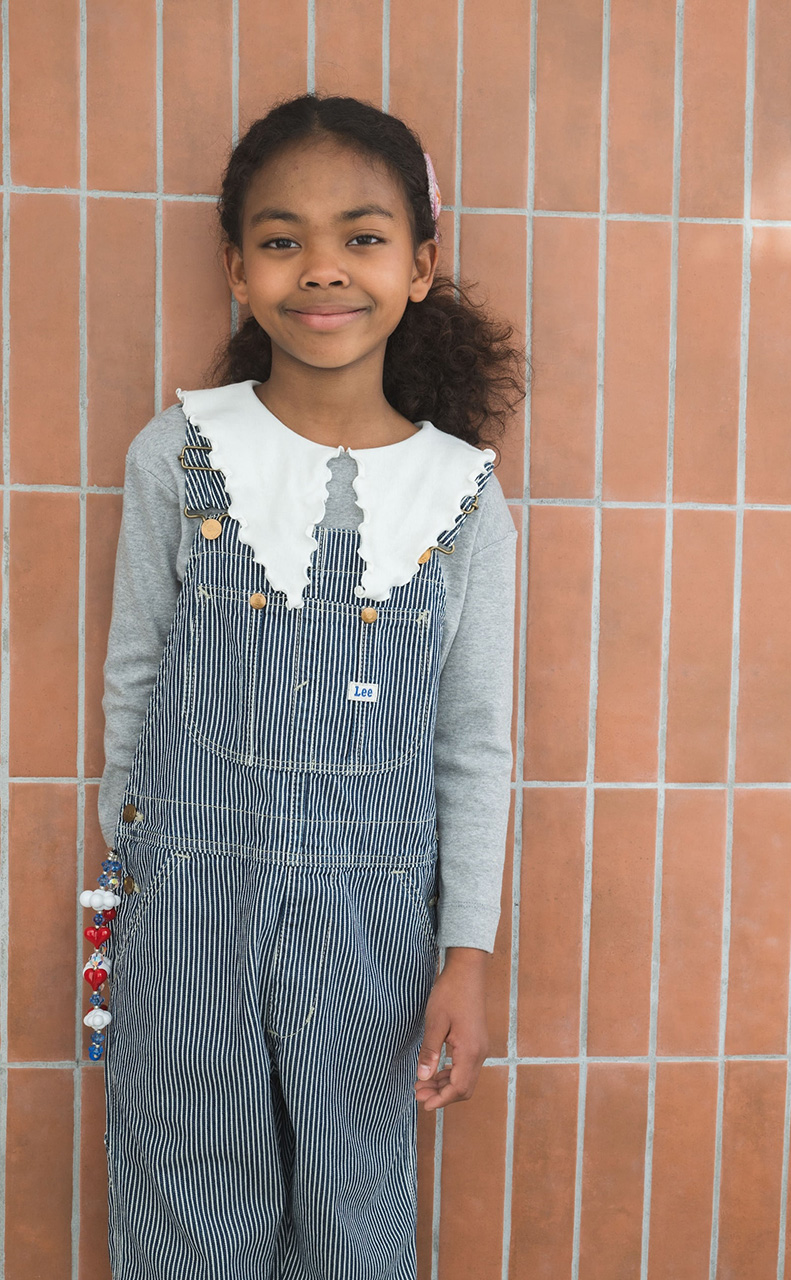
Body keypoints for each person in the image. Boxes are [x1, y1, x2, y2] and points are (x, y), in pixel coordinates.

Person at [87, 92, 524, 1279]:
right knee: (187, 1198)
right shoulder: (178, 453)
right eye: (282, 240)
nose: (322, 268)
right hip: (186, 904)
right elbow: (135, 680)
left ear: (419, 263)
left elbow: (473, 740)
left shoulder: (462, 496)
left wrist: (466, 953)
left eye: (362, 237)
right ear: (237, 268)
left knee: (352, 1210)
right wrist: (132, 888)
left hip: (375, 925)